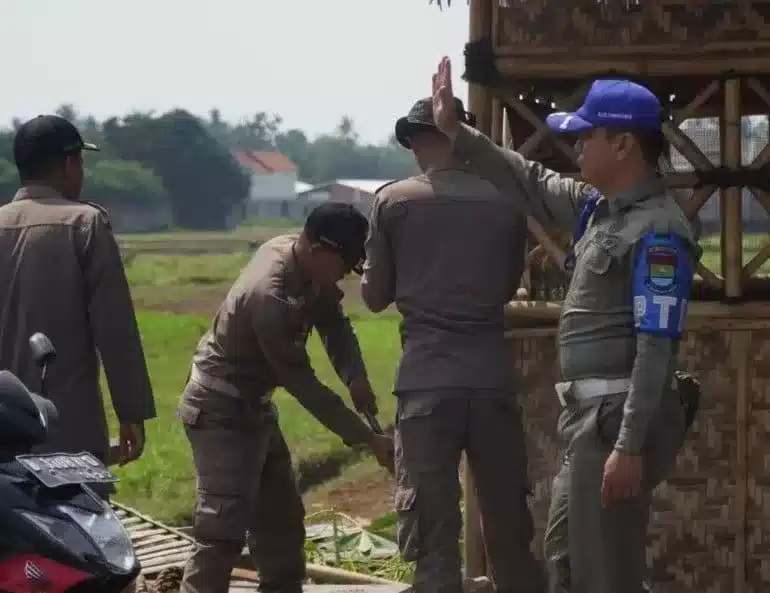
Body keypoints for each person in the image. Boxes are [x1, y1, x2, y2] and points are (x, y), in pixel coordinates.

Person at [430, 58, 700, 593]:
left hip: (614, 418)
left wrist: (628, 445)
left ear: (623, 144)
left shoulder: (660, 231)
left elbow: (656, 346)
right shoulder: (598, 210)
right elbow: (527, 179)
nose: (577, 150)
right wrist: (457, 134)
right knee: (568, 560)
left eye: (587, 136)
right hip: (589, 421)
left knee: (606, 573)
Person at [361, 96, 543, 593]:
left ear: (427, 140)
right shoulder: (507, 204)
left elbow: (375, 297)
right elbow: (507, 286)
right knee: (508, 525)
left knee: (432, 531)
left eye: (417, 139)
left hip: (425, 383)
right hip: (489, 381)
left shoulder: (393, 201)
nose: (415, 149)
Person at [177, 201, 394, 593]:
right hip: (220, 410)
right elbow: (304, 385)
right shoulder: (270, 296)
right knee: (221, 531)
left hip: (255, 406)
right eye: (343, 265)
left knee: (280, 521)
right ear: (316, 248)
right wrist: (368, 439)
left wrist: (356, 377)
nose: (344, 276)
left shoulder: (307, 266)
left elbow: (333, 323)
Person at [0, 115, 155, 478]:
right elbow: (115, 331)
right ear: (70, 164)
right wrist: (131, 412)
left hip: (2, 427)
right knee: (77, 525)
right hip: (66, 429)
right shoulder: (85, 224)